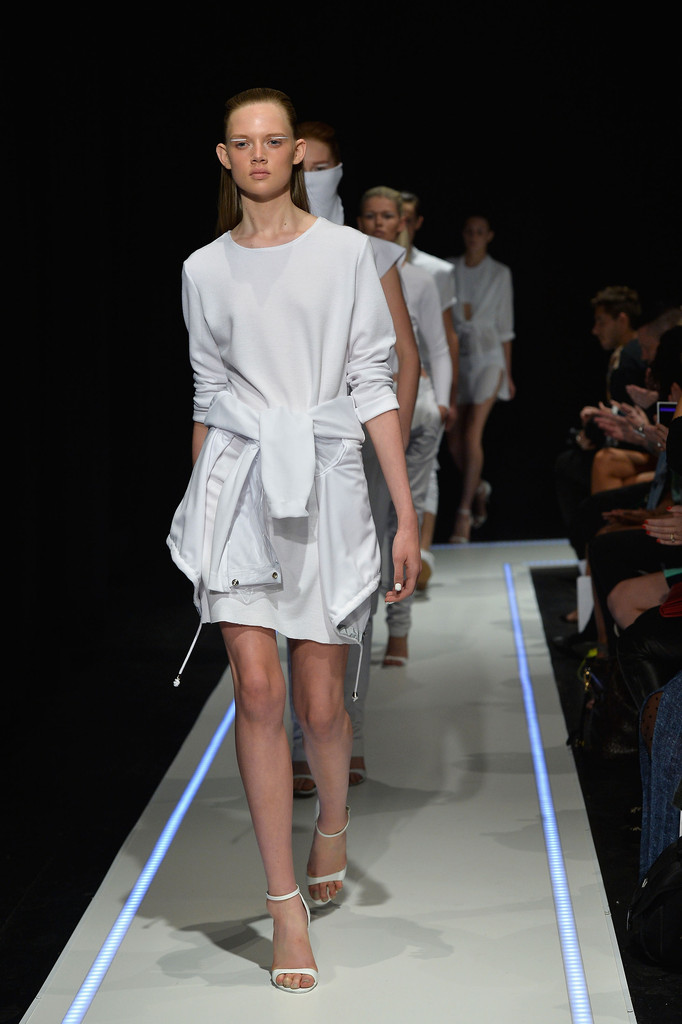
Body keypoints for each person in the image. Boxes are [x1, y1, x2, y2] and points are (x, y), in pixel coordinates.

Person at [167, 88, 420, 993]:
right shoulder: (203, 269)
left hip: (328, 490)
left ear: (298, 154)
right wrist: (201, 514)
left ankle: (333, 824)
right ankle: (282, 907)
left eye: (275, 141)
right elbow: (207, 397)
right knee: (259, 691)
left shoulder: (348, 253)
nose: (260, 155)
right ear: (224, 157)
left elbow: (374, 381)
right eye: (244, 143)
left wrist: (404, 515)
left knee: (320, 707)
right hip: (239, 487)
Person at [290, 122, 421, 795]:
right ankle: (299, 737)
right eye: (301, 165)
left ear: (339, 169)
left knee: (353, 588)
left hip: (359, 443)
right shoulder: (266, 245)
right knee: (288, 589)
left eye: (322, 167)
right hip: (284, 443)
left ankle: (350, 732)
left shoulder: (371, 253)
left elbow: (406, 357)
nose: (310, 178)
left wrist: (388, 440)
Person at [357, 185, 453, 667]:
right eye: (370, 215)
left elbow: (436, 346)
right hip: (364, 409)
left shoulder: (420, 279)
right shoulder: (350, 269)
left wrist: (444, 402)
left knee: (401, 517)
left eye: (387, 215)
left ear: (403, 222)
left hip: (412, 409)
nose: (378, 223)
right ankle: (361, 629)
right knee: (366, 521)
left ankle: (399, 630)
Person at [400, 191, 459, 588]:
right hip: (382, 382)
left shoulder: (435, 271)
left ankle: (421, 553)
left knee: (426, 468)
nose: (396, 225)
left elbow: (446, 338)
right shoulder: (362, 262)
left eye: (404, 217)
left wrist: (445, 396)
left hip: (424, 384)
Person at [446, 214, 515, 543]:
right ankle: (478, 488)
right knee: (454, 437)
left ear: (489, 236)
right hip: (459, 359)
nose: (474, 236)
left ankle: (463, 513)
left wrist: (508, 373)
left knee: (473, 432)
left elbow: (506, 328)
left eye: (480, 232)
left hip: (489, 358)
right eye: (469, 231)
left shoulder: (500, 273)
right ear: (463, 234)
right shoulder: (449, 269)